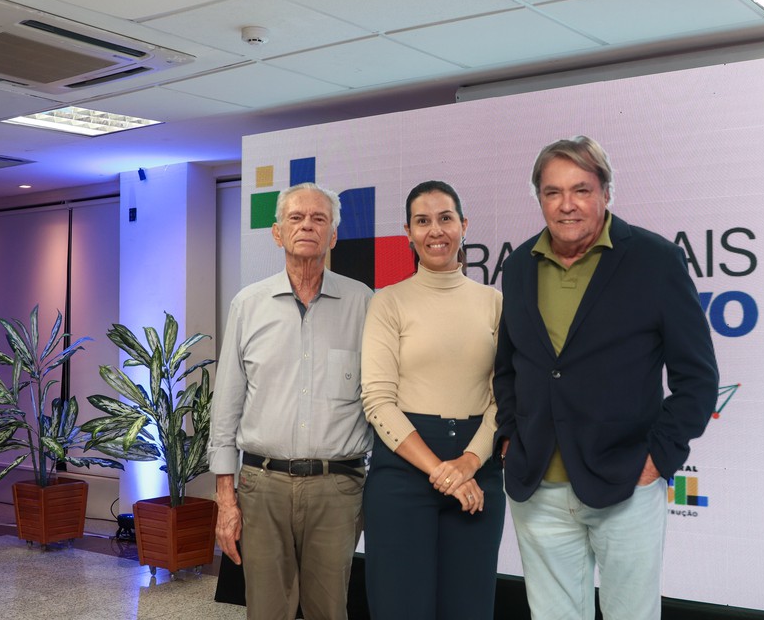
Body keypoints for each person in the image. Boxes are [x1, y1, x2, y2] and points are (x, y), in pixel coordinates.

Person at [494, 136, 719, 620]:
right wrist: (511, 436)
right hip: (539, 487)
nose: (567, 204)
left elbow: (698, 377)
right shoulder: (517, 267)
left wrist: (658, 458)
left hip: (626, 484)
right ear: (539, 199)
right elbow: (509, 366)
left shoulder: (654, 260)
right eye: (553, 192)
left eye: (581, 189)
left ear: (606, 193)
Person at [208, 182, 373, 620]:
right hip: (263, 486)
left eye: (319, 219)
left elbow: (379, 400)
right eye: (296, 218)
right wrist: (227, 500)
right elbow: (225, 408)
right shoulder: (248, 304)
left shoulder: (364, 303)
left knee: (329, 610)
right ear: (277, 233)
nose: (307, 226)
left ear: (333, 236)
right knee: (266, 611)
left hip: (337, 488)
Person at [361, 180, 505, 620]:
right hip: (402, 471)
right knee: (400, 607)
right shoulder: (387, 303)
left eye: (445, 218)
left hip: (477, 470)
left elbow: (507, 398)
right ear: (408, 231)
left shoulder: (495, 302)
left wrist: (466, 465)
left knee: (470, 608)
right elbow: (378, 401)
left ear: (464, 225)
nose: (435, 230)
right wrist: (444, 472)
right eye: (422, 221)